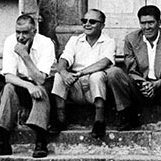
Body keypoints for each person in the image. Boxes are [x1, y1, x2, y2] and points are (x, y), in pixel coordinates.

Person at [107, 5, 161, 134]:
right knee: (113, 73)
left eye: (151, 23)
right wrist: (144, 84)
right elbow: (131, 70)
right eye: (143, 23)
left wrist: (155, 85)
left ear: (159, 22)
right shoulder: (131, 39)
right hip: (140, 88)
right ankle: (127, 114)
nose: (147, 27)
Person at [0, 14, 55, 159]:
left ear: (34, 32)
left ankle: (40, 140)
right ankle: (3, 141)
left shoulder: (46, 43)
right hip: (23, 84)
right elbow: (8, 76)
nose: (20, 37)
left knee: (41, 89)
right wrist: (28, 86)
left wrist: (25, 55)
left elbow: (40, 79)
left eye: (25, 32)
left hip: (44, 84)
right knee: (8, 88)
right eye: (18, 32)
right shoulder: (10, 41)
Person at [48, 8, 116, 138]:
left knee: (97, 76)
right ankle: (61, 120)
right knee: (58, 76)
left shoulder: (109, 42)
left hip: (96, 88)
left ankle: (99, 122)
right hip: (76, 87)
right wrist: (63, 72)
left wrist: (80, 73)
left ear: (102, 25)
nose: (87, 24)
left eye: (92, 21)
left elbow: (104, 62)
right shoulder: (75, 40)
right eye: (84, 21)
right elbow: (64, 59)